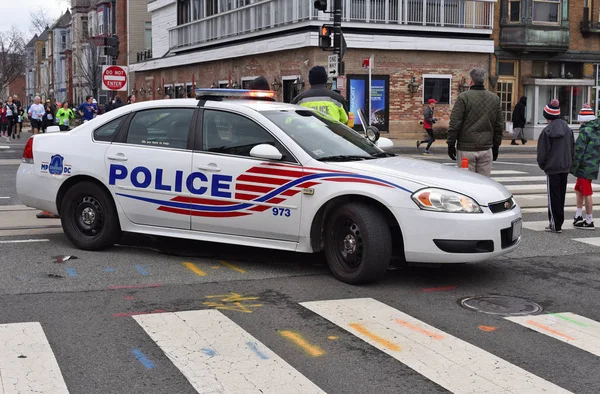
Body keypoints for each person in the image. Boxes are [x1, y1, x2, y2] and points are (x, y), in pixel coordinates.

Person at [447, 67, 504, 176]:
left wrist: (451, 144)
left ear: (471, 81)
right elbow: (499, 125)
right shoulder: (495, 99)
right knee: (484, 183)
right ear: (484, 80)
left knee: (467, 183)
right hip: (486, 148)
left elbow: (455, 123)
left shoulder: (463, 98)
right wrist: (496, 146)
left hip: (466, 148)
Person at [537, 99, 575, 233]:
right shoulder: (568, 130)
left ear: (547, 116)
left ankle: (554, 223)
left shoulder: (547, 131)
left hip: (552, 168)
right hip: (565, 167)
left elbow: (543, 153)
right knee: (561, 195)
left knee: (553, 196)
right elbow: (572, 148)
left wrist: (543, 166)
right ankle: (558, 221)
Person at [570, 104, 600, 230]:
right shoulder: (596, 129)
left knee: (586, 192)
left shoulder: (584, 131)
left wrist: (572, 167)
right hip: (592, 165)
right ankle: (578, 215)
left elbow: (578, 151)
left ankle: (589, 220)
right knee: (578, 189)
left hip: (584, 167)